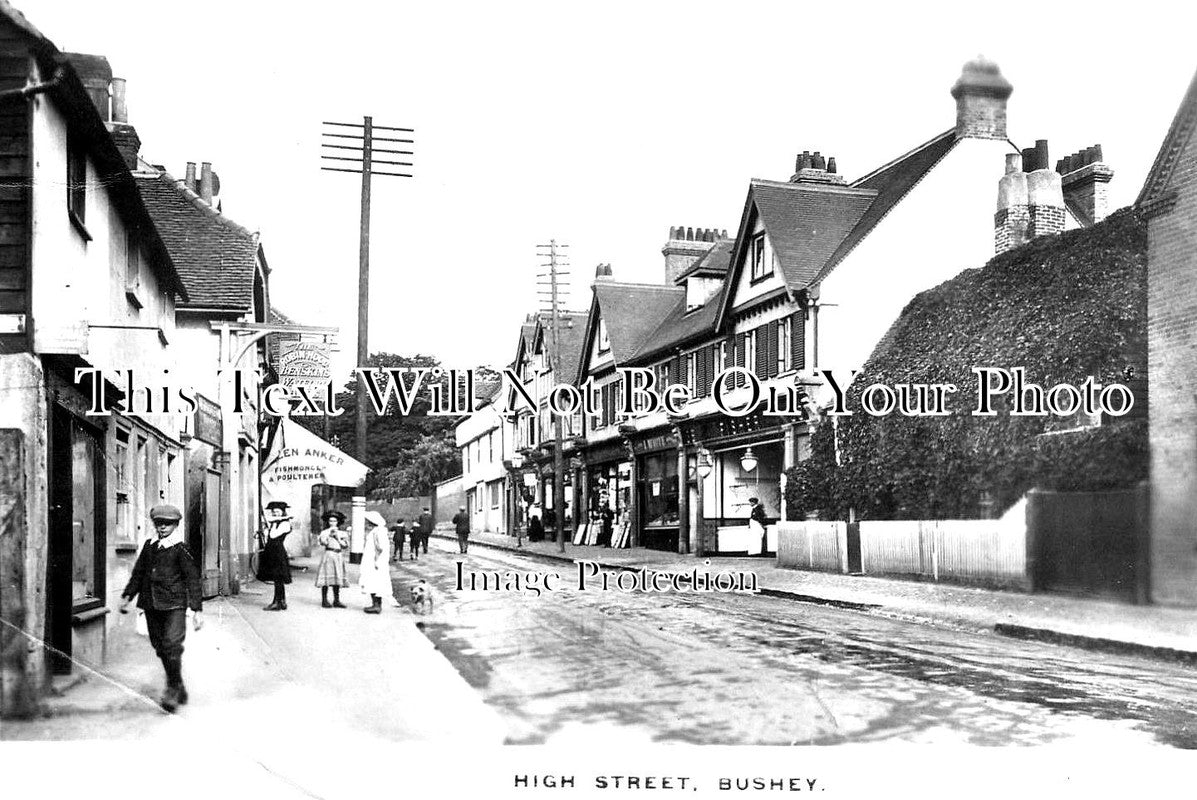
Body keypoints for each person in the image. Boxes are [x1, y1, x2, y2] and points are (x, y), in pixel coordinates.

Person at [119, 505, 202, 713]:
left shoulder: (181, 549)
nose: (163, 527)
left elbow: (193, 579)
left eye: (168, 524)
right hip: (150, 604)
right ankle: (178, 683)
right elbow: (138, 573)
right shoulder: (149, 546)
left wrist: (196, 609)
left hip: (174, 604)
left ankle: (172, 688)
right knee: (160, 647)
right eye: (159, 523)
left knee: (172, 645)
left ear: (175, 525)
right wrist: (128, 595)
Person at [258, 501, 293, 610]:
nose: (275, 513)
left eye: (278, 511)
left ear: (282, 512)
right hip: (272, 552)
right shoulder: (276, 522)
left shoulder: (284, 523)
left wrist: (273, 524)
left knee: (278, 578)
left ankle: (277, 602)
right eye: (274, 511)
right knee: (277, 578)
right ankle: (281, 601)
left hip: (278, 553)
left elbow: (273, 535)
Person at [358, 511, 392, 614]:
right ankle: (376, 604)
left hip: (375, 562)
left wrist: (376, 561)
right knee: (374, 582)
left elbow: (379, 548)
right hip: (375, 560)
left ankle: (376, 605)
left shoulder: (377, 532)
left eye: (368, 521)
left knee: (374, 581)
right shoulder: (377, 531)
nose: (367, 523)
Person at [314, 510, 349, 608]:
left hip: (338, 555)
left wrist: (337, 538)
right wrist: (328, 535)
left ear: (338, 522)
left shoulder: (342, 533)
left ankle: (336, 600)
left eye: (334, 521)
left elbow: (345, 546)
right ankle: (324, 600)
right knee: (326, 577)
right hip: (329, 554)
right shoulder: (324, 532)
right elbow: (323, 543)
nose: (332, 523)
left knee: (337, 577)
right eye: (330, 521)